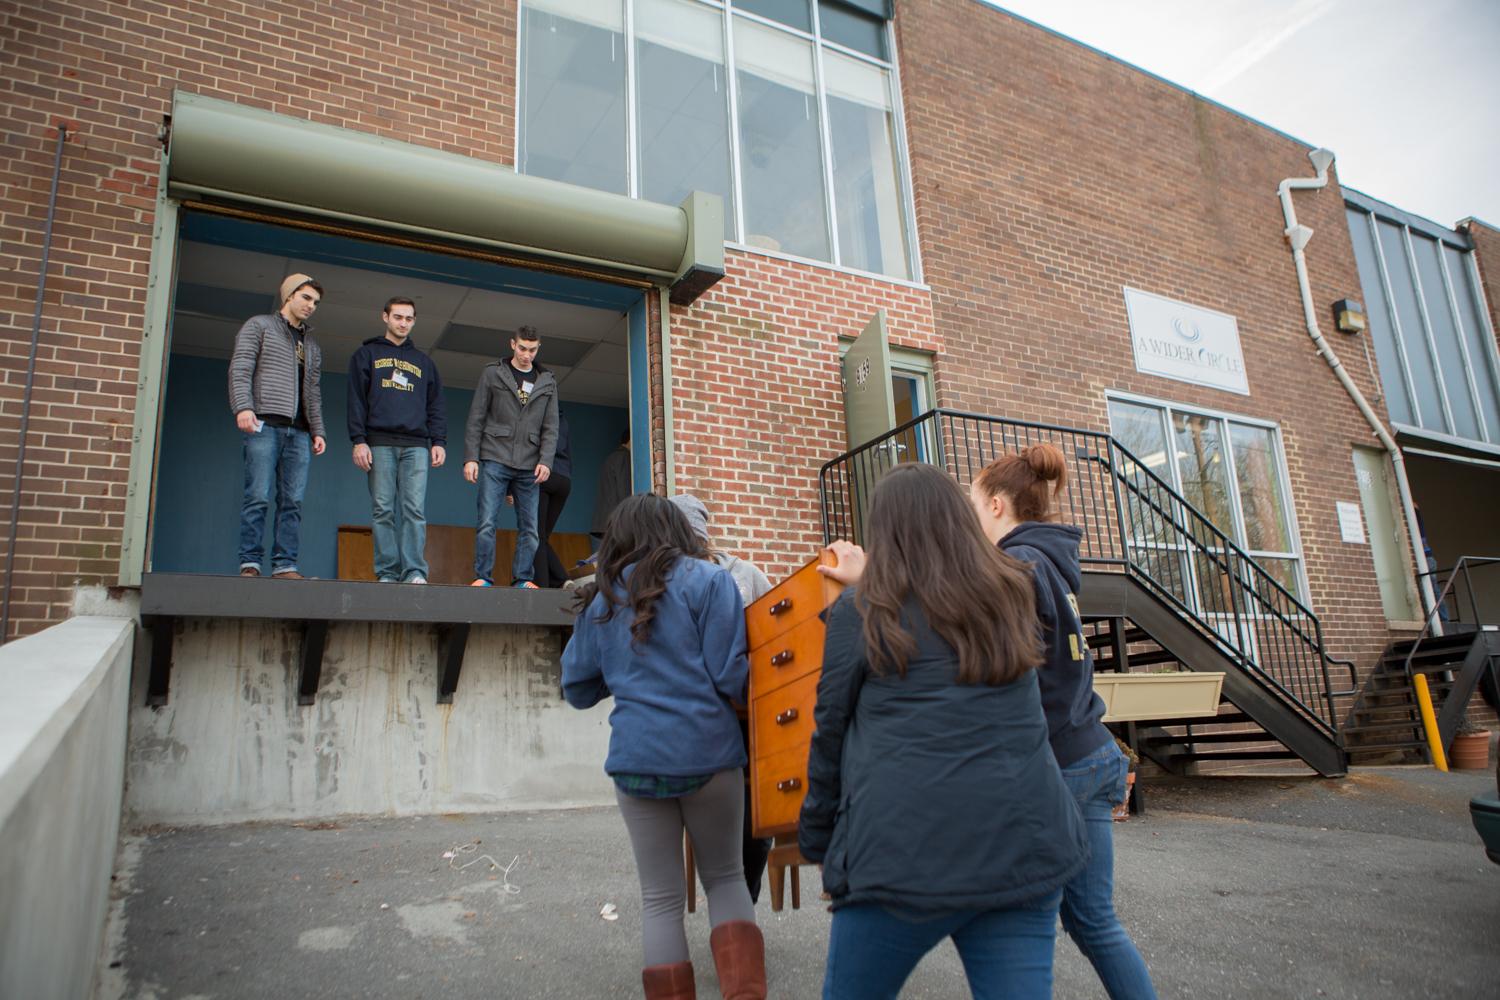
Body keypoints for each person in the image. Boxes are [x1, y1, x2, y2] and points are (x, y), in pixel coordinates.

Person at [803, 463, 1088, 1000]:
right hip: (1023, 845)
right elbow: (942, 610)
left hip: (900, 860)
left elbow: (829, 734)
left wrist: (819, 840)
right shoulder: (1010, 596)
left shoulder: (861, 613)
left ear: (884, 533)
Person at [971, 444, 1159, 1000]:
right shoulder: (1049, 563)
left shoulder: (1015, 571)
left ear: (1000, 506)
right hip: (1094, 751)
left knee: (1018, 933)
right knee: (1094, 920)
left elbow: (1012, 686)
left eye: (976, 504)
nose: (973, 518)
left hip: (1056, 767)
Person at [562, 495, 765, 1000]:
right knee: (725, 879)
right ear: (678, 530)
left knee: (660, 899)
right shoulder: (712, 581)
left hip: (636, 759)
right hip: (710, 754)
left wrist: (629, 676)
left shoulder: (602, 599)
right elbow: (730, 677)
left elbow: (578, 687)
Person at [668, 493, 774, 904]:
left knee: (754, 822)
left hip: (749, 715)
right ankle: (728, 902)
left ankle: (739, 905)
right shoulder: (663, 583)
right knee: (713, 818)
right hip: (695, 721)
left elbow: (774, 626)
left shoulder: (742, 574)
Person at [227, 273, 327, 579]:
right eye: (306, 298)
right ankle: (250, 563)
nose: (311, 306)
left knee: (293, 501)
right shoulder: (258, 326)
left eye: (315, 302)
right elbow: (240, 368)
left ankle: (285, 565)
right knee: (257, 495)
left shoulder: (311, 346)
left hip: (298, 432)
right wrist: (243, 407)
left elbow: (312, 391)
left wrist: (318, 430)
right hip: (263, 425)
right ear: (288, 296)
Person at [346, 296, 446, 584]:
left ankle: (414, 571)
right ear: (385, 317)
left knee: (414, 510)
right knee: (383, 510)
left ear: (414, 321)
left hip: (416, 445)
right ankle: (387, 573)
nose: (403, 323)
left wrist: (438, 441)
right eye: (398, 317)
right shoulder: (366, 355)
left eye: (409, 318)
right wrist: (359, 440)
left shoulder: (424, 362)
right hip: (378, 442)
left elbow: (436, 405)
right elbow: (356, 401)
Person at [463, 325, 557, 589]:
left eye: (533, 349)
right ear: (512, 345)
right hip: (495, 456)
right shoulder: (493, 373)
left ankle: (523, 578)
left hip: (530, 464)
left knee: (530, 528)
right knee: (486, 521)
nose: (527, 354)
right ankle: (483, 576)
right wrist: (471, 457)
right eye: (523, 348)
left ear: (538, 348)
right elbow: (476, 417)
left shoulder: (547, 380)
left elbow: (551, 427)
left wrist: (546, 460)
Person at [531, 409, 573, 588]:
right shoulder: (562, 419)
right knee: (542, 537)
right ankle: (562, 580)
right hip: (564, 480)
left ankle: (546, 585)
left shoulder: (537, 415)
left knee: (536, 536)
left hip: (544, 475)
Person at [591, 430, 632, 541]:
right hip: (618, 520)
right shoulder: (624, 457)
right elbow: (624, 490)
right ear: (630, 440)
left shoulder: (611, 458)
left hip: (606, 520)